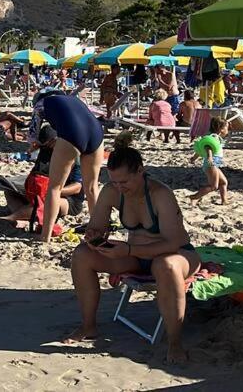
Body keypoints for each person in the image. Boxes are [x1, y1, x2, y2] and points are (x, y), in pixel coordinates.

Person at [64, 131, 200, 363]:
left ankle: (174, 343)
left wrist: (128, 250)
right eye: (115, 181)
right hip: (135, 256)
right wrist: (95, 236)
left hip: (177, 254)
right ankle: (88, 327)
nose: (120, 187)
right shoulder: (112, 191)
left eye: (124, 181)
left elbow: (174, 242)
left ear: (140, 171)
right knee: (82, 255)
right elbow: (96, 225)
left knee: (166, 265)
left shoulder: (160, 194)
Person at [36, 93, 105, 236]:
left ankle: (45, 237)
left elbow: (32, 134)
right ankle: (100, 231)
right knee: (92, 188)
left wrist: (36, 144)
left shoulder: (40, 104)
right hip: (96, 132)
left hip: (73, 134)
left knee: (54, 188)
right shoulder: (74, 99)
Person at [2, 125, 84, 222]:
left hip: (69, 199)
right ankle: (23, 215)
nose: (49, 147)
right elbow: (37, 175)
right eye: (45, 145)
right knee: (9, 189)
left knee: (49, 202)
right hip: (45, 190)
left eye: (51, 144)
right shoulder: (46, 151)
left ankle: (14, 217)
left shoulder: (73, 155)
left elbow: (77, 187)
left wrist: (53, 191)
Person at [189, 116, 229, 204]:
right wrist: (210, 157)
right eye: (227, 128)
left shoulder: (215, 137)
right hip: (212, 163)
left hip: (214, 163)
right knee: (214, 186)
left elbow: (200, 150)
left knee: (223, 182)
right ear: (221, 129)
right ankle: (194, 197)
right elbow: (207, 147)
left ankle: (224, 200)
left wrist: (194, 158)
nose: (227, 130)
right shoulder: (214, 137)